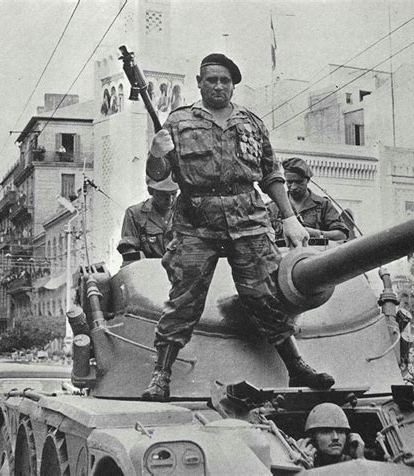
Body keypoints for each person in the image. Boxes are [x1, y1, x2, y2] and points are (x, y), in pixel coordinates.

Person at [143, 52, 334, 401]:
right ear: (199, 83)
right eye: (211, 79)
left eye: (225, 81)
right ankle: (161, 375)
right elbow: (158, 175)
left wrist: (289, 217)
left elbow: (271, 173)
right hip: (195, 222)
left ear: (233, 86)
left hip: (247, 217)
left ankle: (295, 367)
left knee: (264, 295)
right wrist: (156, 153)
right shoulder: (178, 122)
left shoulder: (251, 124)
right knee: (184, 300)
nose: (218, 86)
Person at [267, 158, 349, 243]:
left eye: (299, 182)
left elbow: (342, 235)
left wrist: (316, 233)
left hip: (316, 254)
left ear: (308, 180)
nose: (294, 187)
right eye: (289, 182)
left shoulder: (323, 205)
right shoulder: (274, 207)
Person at [117, 175, 178, 264]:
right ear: (151, 191)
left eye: (174, 194)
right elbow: (128, 250)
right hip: (149, 272)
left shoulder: (185, 213)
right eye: (163, 195)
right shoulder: (134, 214)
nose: (170, 200)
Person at [294, 403, 365, 468]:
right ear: (312, 438)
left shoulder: (352, 464)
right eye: (326, 432)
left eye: (340, 431)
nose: (335, 437)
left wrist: (361, 460)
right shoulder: (305, 464)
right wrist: (303, 467)